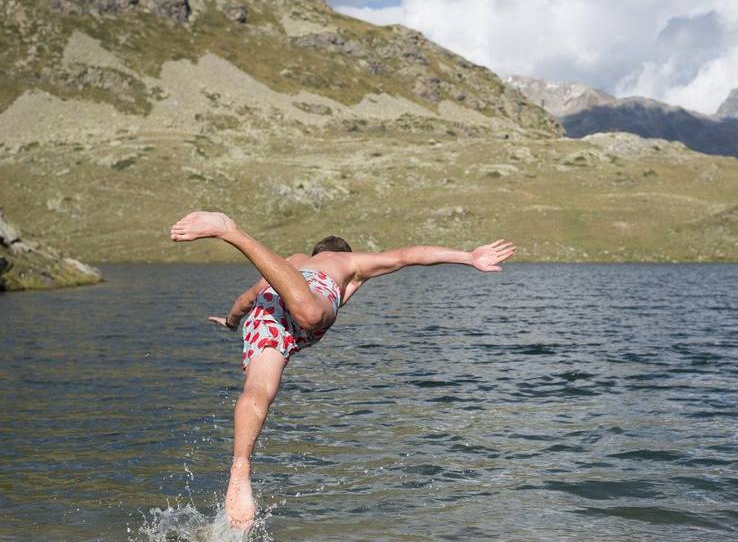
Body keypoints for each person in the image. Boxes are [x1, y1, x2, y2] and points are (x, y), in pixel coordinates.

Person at [169, 211, 516, 530]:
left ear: (315, 250)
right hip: (305, 305)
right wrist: (468, 257)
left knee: (260, 389)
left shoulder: (290, 262)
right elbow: (408, 256)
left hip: (267, 309)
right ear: (340, 252)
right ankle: (233, 232)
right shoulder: (347, 261)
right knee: (311, 313)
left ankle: (241, 464)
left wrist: (231, 323)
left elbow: (246, 300)